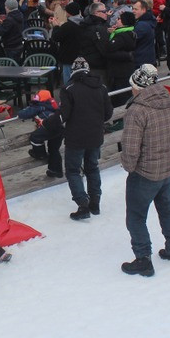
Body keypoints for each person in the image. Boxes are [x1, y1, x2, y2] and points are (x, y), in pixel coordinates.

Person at [119, 64, 170, 277]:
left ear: (138, 87)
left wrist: (130, 168)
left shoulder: (137, 111)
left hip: (145, 174)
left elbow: (130, 148)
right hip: (168, 171)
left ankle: (143, 259)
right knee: (166, 208)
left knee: (136, 216)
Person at [61, 57, 113, 220]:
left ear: (73, 72)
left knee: (73, 171)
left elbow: (65, 114)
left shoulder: (69, 89)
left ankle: (82, 204)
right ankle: (95, 202)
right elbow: (108, 113)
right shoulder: (101, 87)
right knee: (92, 167)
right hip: (95, 136)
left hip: (75, 137)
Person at [17, 89, 63, 178]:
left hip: (48, 127)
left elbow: (23, 114)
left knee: (35, 137)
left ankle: (40, 154)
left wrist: (23, 110)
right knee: (54, 150)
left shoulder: (38, 106)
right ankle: (56, 170)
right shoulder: (53, 105)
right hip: (59, 128)